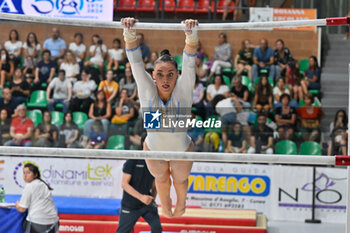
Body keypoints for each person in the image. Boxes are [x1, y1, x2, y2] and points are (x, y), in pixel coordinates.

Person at [122, 17, 198, 218]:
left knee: (180, 181)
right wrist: (129, 32)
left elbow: (190, 62)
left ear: (177, 74)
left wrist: (191, 33)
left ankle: (181, 204)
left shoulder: (183, 89)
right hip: (154, 149)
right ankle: (166, 205)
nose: (165, 79)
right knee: (162, 181)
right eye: (160, 74)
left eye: (170, 74)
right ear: (153, 75)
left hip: (181, 149)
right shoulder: (147, 89)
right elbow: (135, 61)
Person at [116, 133, 162, 233]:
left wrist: (153, 198)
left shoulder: (156, 162)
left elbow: (155, 183)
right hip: (130, 205)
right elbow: (124, 184)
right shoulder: (133, 160)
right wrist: (141, 197)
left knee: (157, 228)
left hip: (146, 204)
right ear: (143, 143)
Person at [16, 163, 59, 233]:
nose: (25, 175)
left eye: (28, 173)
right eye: (24, 173)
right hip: (54, 223)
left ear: (35, 174)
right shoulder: (44, 184)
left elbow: (22, 209)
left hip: (37, 224)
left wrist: (17, 204)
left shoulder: (30, 186)